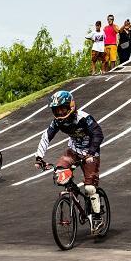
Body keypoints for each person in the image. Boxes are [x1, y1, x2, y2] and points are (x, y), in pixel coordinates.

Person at [34, 91, 105, 234]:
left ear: (71, 106)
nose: (60, 113)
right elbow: (46, 137)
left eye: (63, 108)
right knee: (60, 174)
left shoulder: (84, 118)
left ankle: (97, 217)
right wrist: (39, 157)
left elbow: (98, 134)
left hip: (90, 153)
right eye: (56, 110)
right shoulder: (57, 122)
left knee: (90, 188)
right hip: (73, 151)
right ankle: (73, 190)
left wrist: (91, 153)